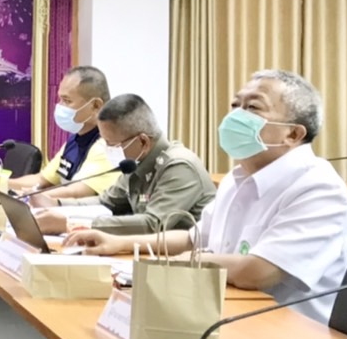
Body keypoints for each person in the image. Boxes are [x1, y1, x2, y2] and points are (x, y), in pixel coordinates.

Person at [67, 70, 347, 322]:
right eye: (235, 105)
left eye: (253, 107)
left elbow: (258, 271)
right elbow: (192, 239)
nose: (236, 116)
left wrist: (183, 263)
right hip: (220, 314)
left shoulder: (318, 188)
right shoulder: (236, 178)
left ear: (292, 134)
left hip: (286, 335)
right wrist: (117, 243)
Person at [33, 93, 216, 235]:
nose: (107, 149)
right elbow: (106, 202)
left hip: (185, 262)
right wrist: (56, 204)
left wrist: (73, 225)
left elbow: (152, 224)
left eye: (112, 144)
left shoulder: (179, 167)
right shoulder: (135, 162)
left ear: (143, 141)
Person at [11, 66, 119, 196]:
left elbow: (76, 192)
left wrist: (29, 195)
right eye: (60, 99)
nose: (60, 106)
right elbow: (43, 179)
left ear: (95, 105)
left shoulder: (108, 146)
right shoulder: (75, 140)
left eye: (67, 101)